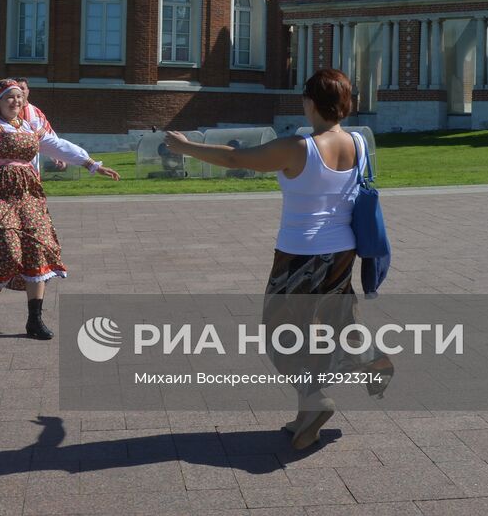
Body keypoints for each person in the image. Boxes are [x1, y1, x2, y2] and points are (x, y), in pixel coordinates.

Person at [164, 67, 392, 451]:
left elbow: (238, 159)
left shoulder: (299, 147)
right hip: (342, 251)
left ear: (310, 102)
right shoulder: (358, 143)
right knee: (330, 323)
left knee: (280, 333)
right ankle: (345, 380)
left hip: (300, 255)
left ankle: (316, 397)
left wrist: (185, 146)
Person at [0, 79, 119, 340]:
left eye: (18, 97)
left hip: (29, 194)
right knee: (11, 254)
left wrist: (91, 164)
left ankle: (34, 319)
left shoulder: (29, 127)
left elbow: (59, 146)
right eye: (9, 97)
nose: (15, 101)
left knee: (38, 249)